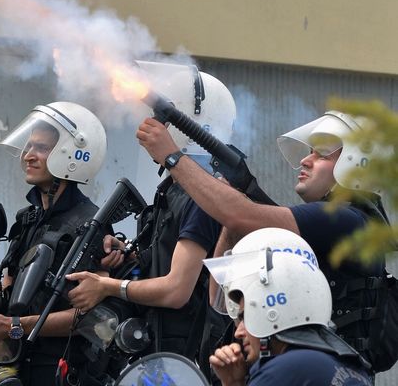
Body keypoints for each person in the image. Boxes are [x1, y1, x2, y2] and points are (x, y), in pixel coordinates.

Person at [136, 102, 390, 371]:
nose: (305, 160)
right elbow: (222, 299)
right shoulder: (339, 222)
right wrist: (235, 219)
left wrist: (172, 157)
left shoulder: (345, 219)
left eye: (322, 155)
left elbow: (239, 213)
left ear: (355, 164)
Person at [67, 63, 233, 372]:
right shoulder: (172, 192)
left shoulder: (202, 196)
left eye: (162, 118)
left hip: (185, 362)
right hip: (159, 356)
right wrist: (126, 258)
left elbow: (176, 291)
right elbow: (159, 267)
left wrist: (108, 287)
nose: (148, 124)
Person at [0, 101, 107, 385]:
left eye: (41, 148)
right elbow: (12, 306)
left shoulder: (91, 225)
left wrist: (11, 327)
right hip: (17, 367)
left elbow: (93, 319)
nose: (28, 156)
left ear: (72, 155)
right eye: (28, 146)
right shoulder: (27, 219)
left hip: (60, 371)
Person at [205, 242, 372, 385]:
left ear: (272, 313)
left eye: (245, 317)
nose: (238, 332)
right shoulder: (352, 366)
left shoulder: (284, 368)